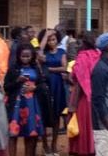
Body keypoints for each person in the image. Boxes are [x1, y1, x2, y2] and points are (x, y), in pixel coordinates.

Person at [5, 43, 47, 156]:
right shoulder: (13, 68)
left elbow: (43, 84)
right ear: (18, 56)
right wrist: (17, 81)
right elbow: (6, 86)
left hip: (32, 105)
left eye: (28, 56)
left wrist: (35, 87)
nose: (25, 58)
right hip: (16, 105)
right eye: (23, 56)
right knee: (13, 134)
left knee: (30, 134)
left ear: (32, 56)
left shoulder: (36, 67)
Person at [68, 31, 100, 156]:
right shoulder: (98, 54)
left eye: (79, 42)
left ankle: (84, 150)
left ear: (85, 43)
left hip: (83, 98)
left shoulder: (82, 57)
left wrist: (73, 105)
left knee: (82, 127)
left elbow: (81, 82)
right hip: (98, 97)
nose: (77, 45)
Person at [38, 28, 68, 156]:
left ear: (58, 40)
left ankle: (54, 144)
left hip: (58, 86)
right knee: (44, 115)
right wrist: (45, 35)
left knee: (56, 115)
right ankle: (45, 145)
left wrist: (48, 68)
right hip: (46, 86)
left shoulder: (62, 52)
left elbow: (64, 68)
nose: (51, 42)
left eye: (54, 39)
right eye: (49, 39)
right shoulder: (43, 53)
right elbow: (39, 55)